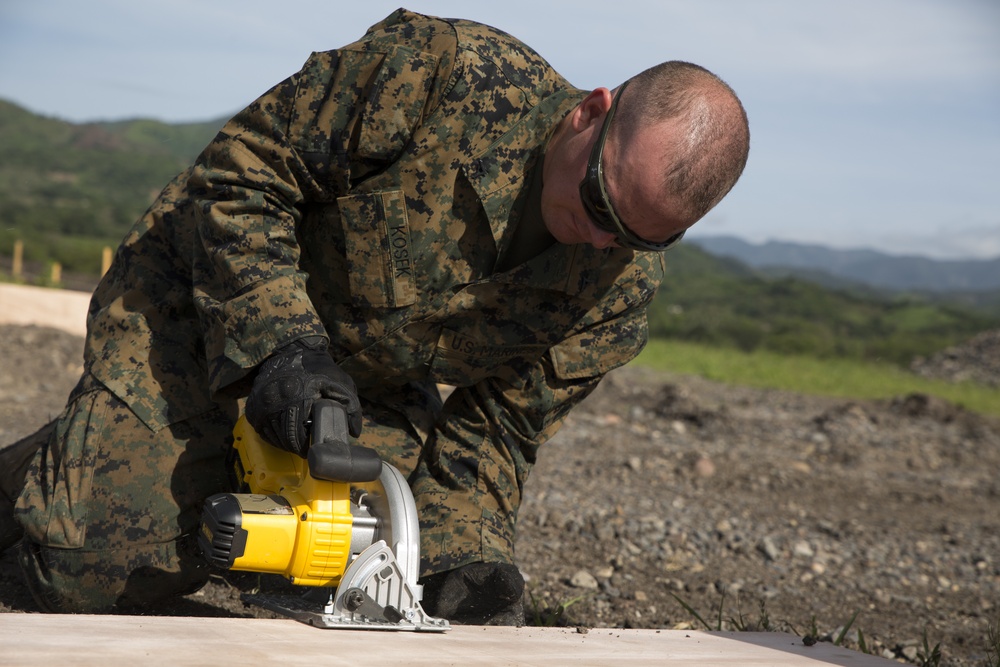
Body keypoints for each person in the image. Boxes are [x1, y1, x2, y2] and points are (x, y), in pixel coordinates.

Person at [0, 8, 749, 624]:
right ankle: (57, 471)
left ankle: (110, 462)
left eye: (637, 235)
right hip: (196, 305)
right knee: (86, 566)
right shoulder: (440, 73)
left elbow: (497, 429)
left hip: (358, 395)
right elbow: (240, 179)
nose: (599, 238)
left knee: (355, 579)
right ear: (590, 114)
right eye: (597, 203)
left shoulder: (619, 289)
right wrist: (283, 347)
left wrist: (464, 554)